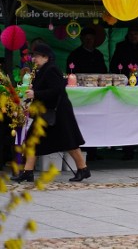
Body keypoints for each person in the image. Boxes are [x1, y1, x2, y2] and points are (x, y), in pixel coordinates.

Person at [12, 43, 91, 183]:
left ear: (46, 57)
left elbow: (57, 90)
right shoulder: (42, 70)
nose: (33, 59)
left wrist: (35, 93)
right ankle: (28, 172)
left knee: (69, 141)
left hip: (58, 112)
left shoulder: (52, 69)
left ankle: (83, 169)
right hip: (46, 112)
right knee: (32, 140)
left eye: (36, 56)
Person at [110, 26, 138, 160]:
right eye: (132, 34)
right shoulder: (121, 46)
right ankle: (128, 151)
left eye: (137, 34)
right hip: (126, 87)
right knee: (127, 119)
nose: (134, 36)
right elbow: (114, 66)